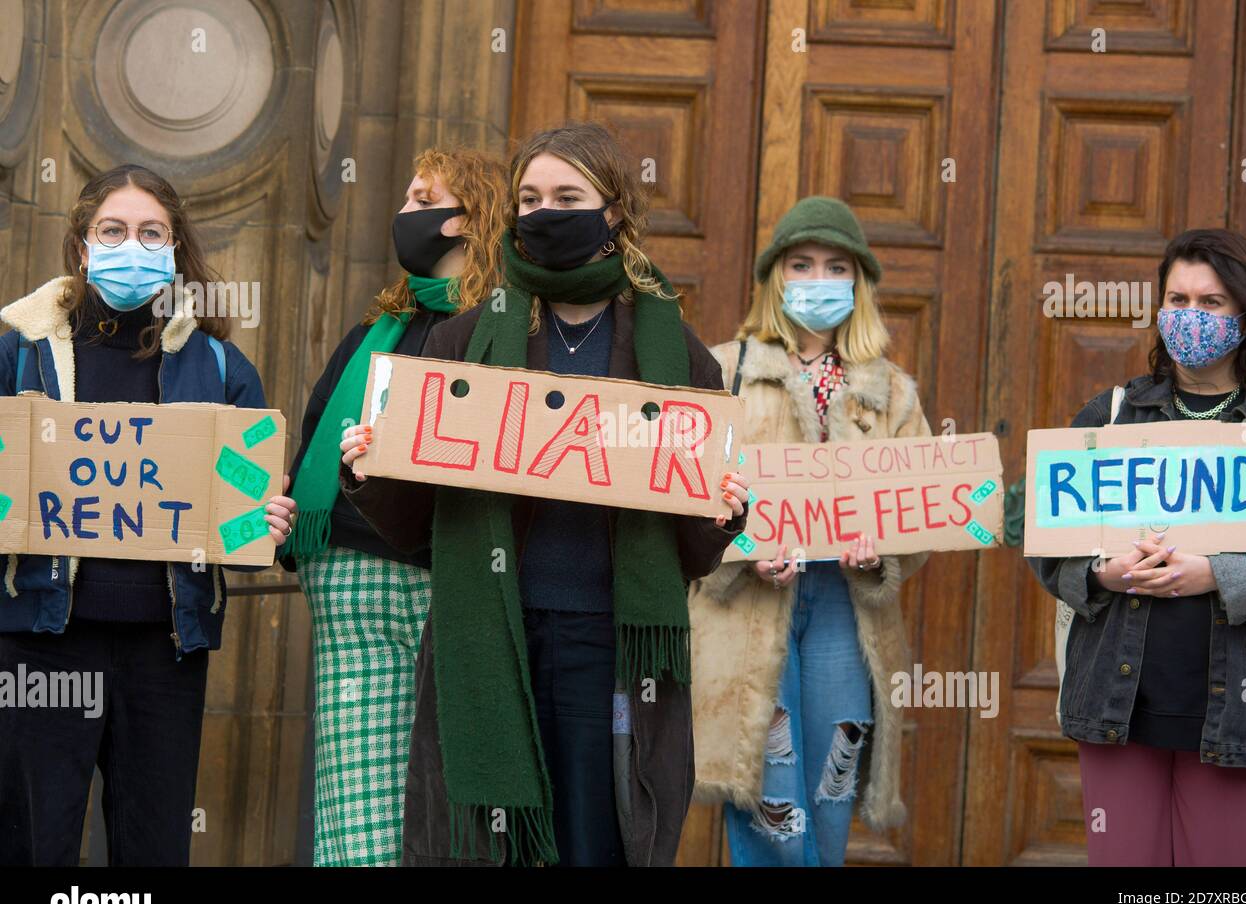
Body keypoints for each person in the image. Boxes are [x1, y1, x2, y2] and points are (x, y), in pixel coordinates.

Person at [340, 122, 748, 866]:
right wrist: (372, 470)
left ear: (614, 211)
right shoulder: (464, 340)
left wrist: (725, 508)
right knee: (491, 843)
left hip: (608, 641)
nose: (543, 213)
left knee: (595, 835)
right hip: (495, 629)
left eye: (567, 196)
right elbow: (418, 523)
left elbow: (692, 543)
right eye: (529, 198)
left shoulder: (675, 352)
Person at [0, 164, 296, 865]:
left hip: (164, 650)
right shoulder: (17, 352)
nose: (131, 245)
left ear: (172, 250)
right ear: (82, 246)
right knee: (32, 843)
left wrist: (265, 521)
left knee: (154, 844)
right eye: (113, 230)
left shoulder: (222, 367)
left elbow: (248, 506)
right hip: (43, 642)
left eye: (149, 232)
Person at [1028, 228, 1246, 866]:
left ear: (1245, 314)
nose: (1190, 317)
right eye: (1177, 300)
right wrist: (1104, 573)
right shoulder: (1111, 415)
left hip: (1238, 714)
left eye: (1211, 303)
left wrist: (1220, 575)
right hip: (1119, 708)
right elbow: (1047, 548)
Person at [280, 147, 509, 866]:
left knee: (458, 813)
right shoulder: (369, 338)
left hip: (466, 585)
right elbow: (309, 451)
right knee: (362, 813)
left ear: (466, 222)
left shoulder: (509, 338)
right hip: (359, 581)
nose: (404, 212)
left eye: (421, 198)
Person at [688, 196, 930, 866]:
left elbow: (926, 510)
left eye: (835, 267)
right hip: (749, 609)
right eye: (802, 264)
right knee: (771, 798)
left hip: (844, 612)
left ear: (858, 284)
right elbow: (684, 503)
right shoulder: (724, 371)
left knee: (829, 788)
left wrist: (881, 551)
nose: (818, 280)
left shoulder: (892, 392)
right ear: (775, 277)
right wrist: (743, 552)